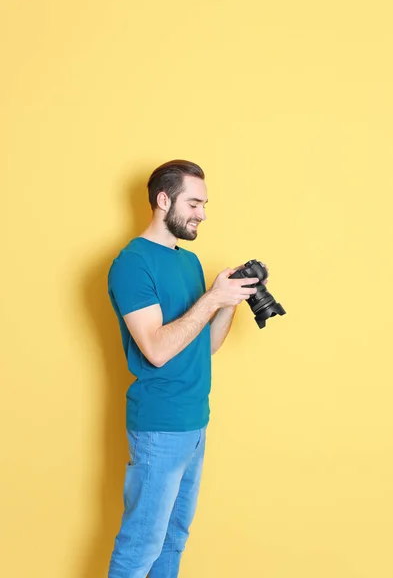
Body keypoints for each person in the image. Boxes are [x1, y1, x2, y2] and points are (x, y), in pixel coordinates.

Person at [107, 159, 263, 578]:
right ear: (163, 200)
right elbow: (156, 350)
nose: (203, 214)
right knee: (140, 546)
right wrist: (210, 301)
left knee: (174, 538)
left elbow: (204, 346)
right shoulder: (132, 263)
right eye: (194, 203)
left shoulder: (188, 262)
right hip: (159, 427)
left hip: (195, 423)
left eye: (205, 204)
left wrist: (225, 300)